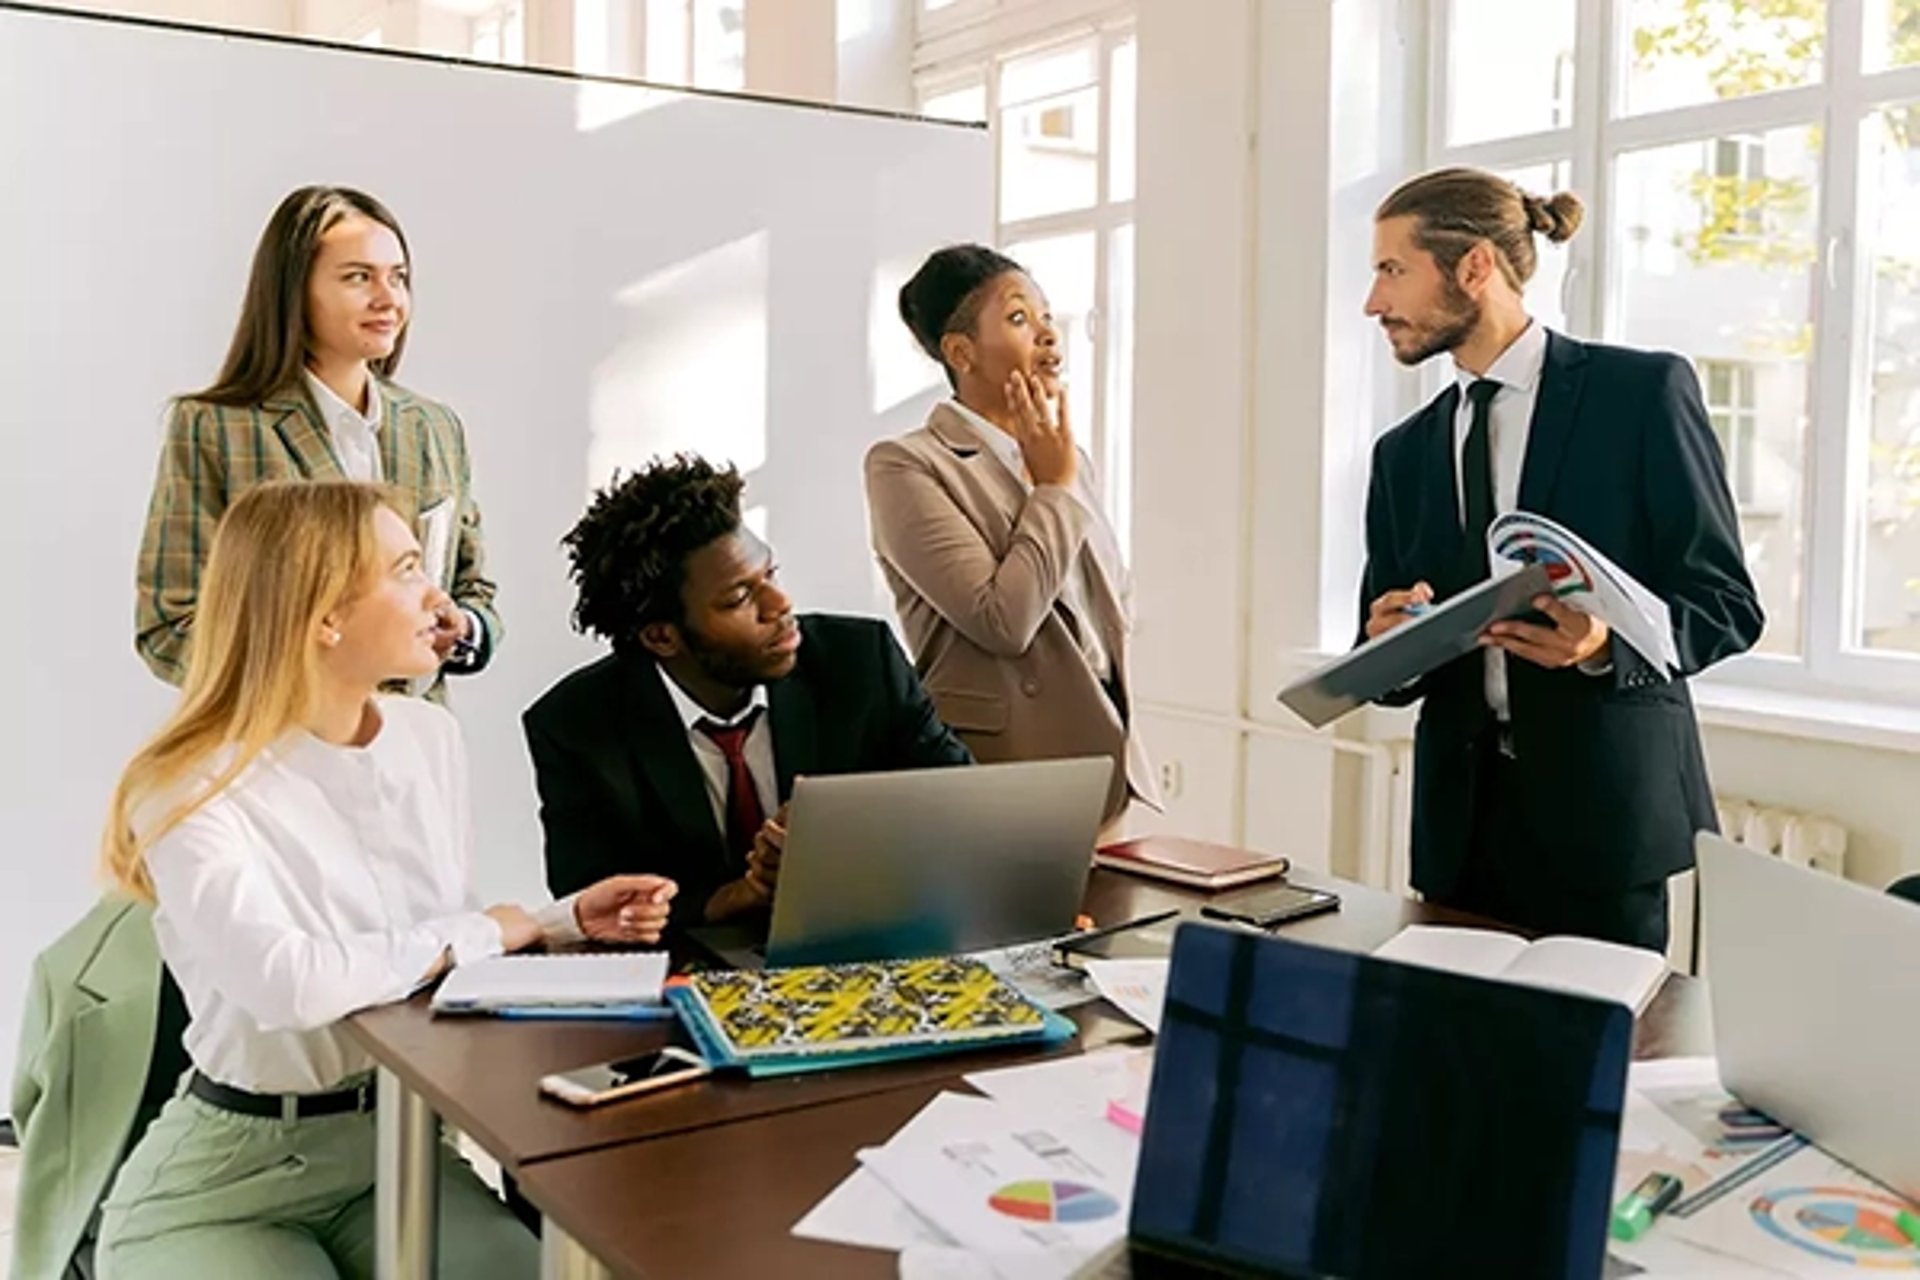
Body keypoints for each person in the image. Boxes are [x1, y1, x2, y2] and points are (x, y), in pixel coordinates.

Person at [94, 480, 674, 1279]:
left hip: (402, 1147)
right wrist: (489, 930)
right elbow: (287, 986)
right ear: (325, 615)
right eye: (407, 569)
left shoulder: (428, 738)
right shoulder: (190, 785)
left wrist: (556, 921)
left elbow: (416, 949)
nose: (442, 601)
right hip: (231, 1177)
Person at [1358, 167, 1763, 951]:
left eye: (1391, 270)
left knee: (1601, 1066)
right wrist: (1387, 645)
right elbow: (1389, 665)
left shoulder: (1639, 395)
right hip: (1459, 836)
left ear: (1474, 266)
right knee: (1461, 1063)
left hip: (1604, 827)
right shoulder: (1401, 455)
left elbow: (1726, 605)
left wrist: (1605, 644)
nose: (1375, 302)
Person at [525, 455, 972, 930]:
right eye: (739, 598)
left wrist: (843, 843)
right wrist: (733, 897)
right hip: (687, 971)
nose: (780, 605)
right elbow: (593, 904)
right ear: (661, 637)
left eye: (771, 575)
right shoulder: (575, 725)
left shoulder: (861, 662)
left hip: (858, 938)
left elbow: (962, 807)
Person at [135, 185, 499, 696]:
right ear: (294, 291)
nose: (388, 299)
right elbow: (169, 626)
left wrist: (463, 629)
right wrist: (319, 683)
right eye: (358, 277)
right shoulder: (215, 427)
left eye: (398, 278)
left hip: (414, 748)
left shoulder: (435, 428)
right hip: (280, 744)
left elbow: (472, 588)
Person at [866, 244, 1155, 826]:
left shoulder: (1070, 458)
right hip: (997, 772)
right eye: (1020, 318)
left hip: (1102, 757)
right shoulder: (907, 465)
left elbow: (1109, 603)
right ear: (960, 352)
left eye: (1047, 317)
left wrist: (1057, 474)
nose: (1048, 335)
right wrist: (1052, 488)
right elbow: (1003, 621)